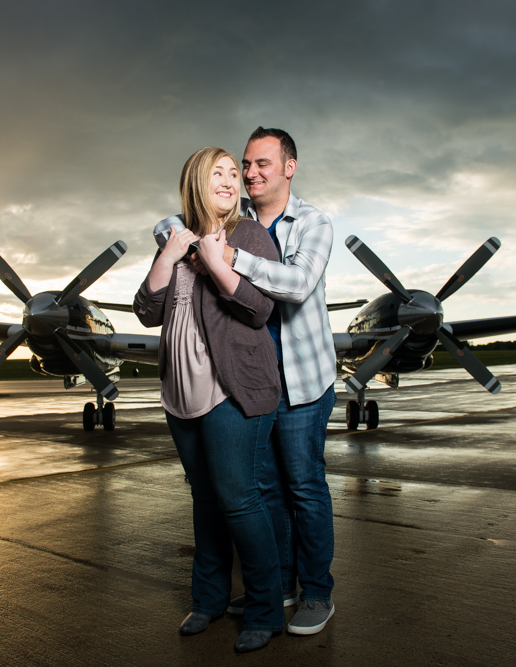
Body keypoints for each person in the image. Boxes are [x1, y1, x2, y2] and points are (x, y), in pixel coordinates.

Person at [162, 127, 339, 636]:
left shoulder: (311, 223)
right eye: (246, 165)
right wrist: (180, 237)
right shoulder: (229, 221)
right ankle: (278, 586)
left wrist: (229, 258)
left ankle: (317, 592)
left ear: (290, 167)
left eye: (264, 163)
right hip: (251, 383)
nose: (252, 173)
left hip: (302, 381)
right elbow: (174, 223)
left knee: (304, 486)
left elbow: (300, 284)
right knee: (266, 489)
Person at [133, 147, 284, 654]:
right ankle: (208, 600)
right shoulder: (176, 239)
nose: (229, 180)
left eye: (232, 173)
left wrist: (217, 264)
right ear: (195, 182)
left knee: (239, 499)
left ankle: (265, 610)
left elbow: (261, 308)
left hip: (229, 388)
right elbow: (145, 311)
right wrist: (169, 256)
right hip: (179, 394)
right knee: (204, 499)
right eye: (216, 173)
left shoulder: (247, 235)